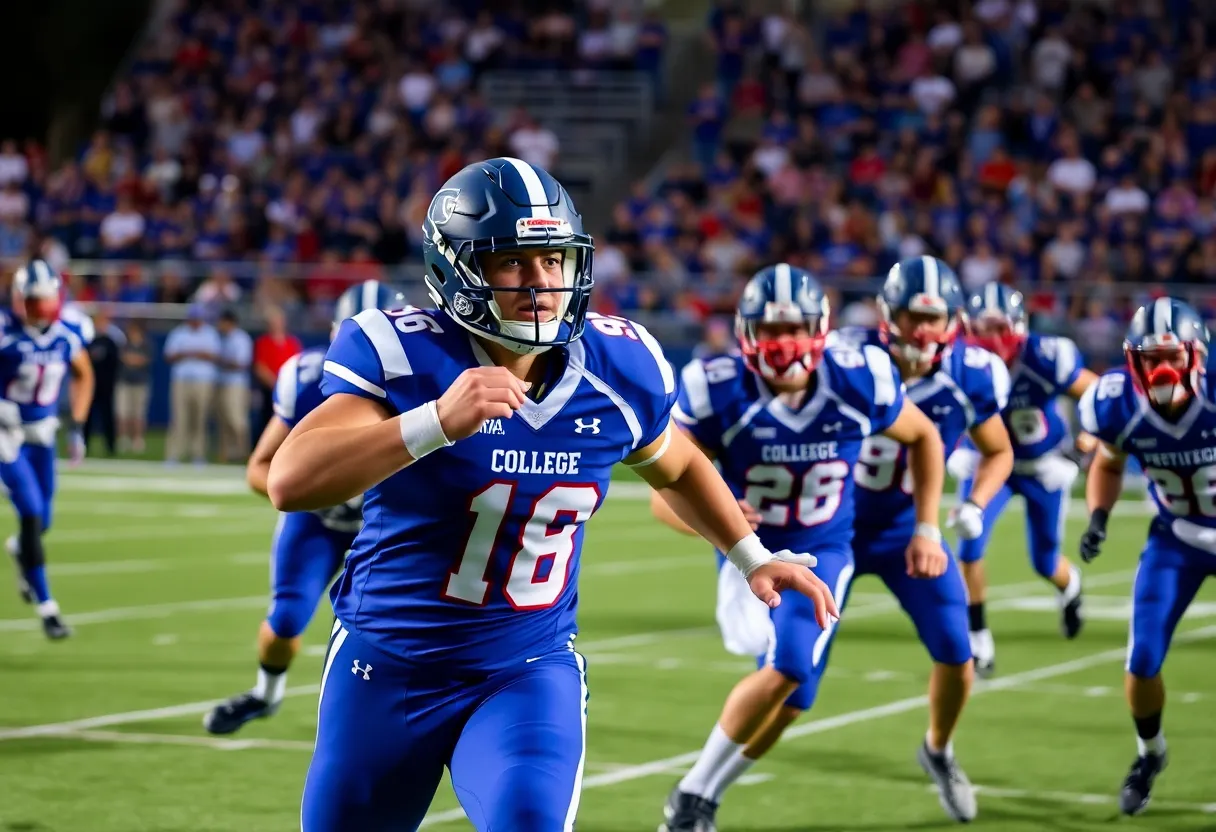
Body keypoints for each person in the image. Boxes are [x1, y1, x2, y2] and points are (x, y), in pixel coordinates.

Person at [266, 157, 838, 831]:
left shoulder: (617, 368)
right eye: (512, 262)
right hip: (388, 662)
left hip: (525, 668)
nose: (541, 284)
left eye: (554, 261)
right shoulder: (404, 352)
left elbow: (678, 465)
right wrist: (435, 422)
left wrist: (750, 554)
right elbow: (289, 479)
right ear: (458, 270)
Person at [651, 262, 950, 830]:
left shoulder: (859, 379)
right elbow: (663, 495)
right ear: (746, 334)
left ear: (821, 331)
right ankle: (695, 798)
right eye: (768, 331)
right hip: (748, 553)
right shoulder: (718, 388)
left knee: (792, 683)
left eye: (793, 329)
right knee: (788, 675)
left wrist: (928, 527)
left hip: (822, 550)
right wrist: (718, 525)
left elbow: (924, 436)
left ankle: (695, 797)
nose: (782, 344)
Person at [837, 257, 1014, 822]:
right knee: (789, 673)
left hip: (911, 531)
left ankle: (938, 747)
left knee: (957, 654)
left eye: (934, 319)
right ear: (890, 315)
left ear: (955, 321)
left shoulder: (972, 374)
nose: (923, 331)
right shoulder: (846, 357)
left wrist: (976, 505)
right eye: (914, 316)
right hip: (829, 525)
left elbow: (999, 450)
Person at [204, 281, 402, 735]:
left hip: (389, 523)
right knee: (288, 619)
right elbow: (260, 468)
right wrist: (320, 488)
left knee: (398, 623)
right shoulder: (309, 376)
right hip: (318, 520)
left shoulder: (430, 379)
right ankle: (266, 695)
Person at [1077, 297, 1216, 816]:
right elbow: (1109, 464)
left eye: (1173, 356)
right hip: (1176, 538)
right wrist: (1098, 516)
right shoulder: (1115, 402)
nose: (1162, 368)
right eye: (1150, 357)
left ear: (1196, 355)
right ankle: (1149, 754)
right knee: (1141, 660)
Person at [951, 282, 1098, 676]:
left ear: (1020, 325)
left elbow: (1101, 398)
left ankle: (1070, 585)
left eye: (1002, 328)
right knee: (969, 544)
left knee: (1045, 561)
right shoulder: (959, 361)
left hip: (1041, 465)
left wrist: (1082, 448)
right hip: (988, 465)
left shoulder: (1046, 356)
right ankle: (978, 636)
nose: (995, 339)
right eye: (985, 329)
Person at [0, 259, 94, 638]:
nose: (43, 306)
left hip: (42, 432)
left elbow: (84, 374)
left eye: (47, 298)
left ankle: (19, 549)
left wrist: (78, 426)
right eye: (35, 299)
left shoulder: (67, 332)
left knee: (44, 522)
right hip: (6, 433)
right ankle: (48, 607)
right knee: (31, 512)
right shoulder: (5, 331)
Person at [163, 304, 219, 464]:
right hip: (182, 381)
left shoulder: (210, 333)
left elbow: (214, 355)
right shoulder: (178, 333)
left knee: (199, 418)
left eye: (198, 319)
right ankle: (174, 455)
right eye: (193, 319)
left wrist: (192, 353)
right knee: (179, 418)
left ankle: (198, 455)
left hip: (203, 382)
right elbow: (169, 356)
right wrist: (189, 353)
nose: (195, 322)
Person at [214, 308, 253, 462]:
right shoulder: (221, 338)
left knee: (237, 419)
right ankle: (227, 453)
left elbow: (241, 364)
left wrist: (219, 361)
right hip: (221, 382)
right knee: (223, 419)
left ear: (229, 323)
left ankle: (243, 452)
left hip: (236, 385)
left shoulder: (241, 339)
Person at [84, 306, 124, 456]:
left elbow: (116, 362)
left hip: (106, 385)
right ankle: (84, 445)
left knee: (108, 416)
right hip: (90, 385)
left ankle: (111, 447)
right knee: (87, 417)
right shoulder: (89, 340)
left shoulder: (110, 341)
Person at [116, 319, 152, 452]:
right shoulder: (124, 344)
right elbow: (123, 358)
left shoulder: (146, 345)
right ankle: (123, 439)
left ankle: (137, 440)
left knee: (138, 414)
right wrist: (133, 359)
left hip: (140, 383)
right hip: (124, 382)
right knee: (123, 413)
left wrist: (132, 359)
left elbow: (144, 360)